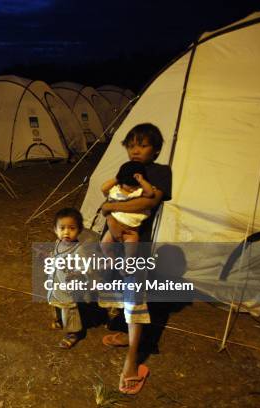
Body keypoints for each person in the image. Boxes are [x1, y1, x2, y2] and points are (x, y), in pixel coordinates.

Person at [98, 123, 172, 395]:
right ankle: (128, 337)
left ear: (156, 150)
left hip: (136, 244)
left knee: (134, 298)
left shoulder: (160, 173)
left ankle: (132, 361)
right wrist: (108, 212)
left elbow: (148, 203)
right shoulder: (124, 170)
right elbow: (107, 192)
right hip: (113, 239)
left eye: (142, 145)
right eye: (131, 146)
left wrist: (110, 207)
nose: (135, 150)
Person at [46, 208, 88, 349]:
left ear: (80, 230)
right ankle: (59, 320)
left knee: (69, 309)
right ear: (55, 229)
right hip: (56, 282)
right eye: (62, 228)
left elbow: (84, 267)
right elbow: (55, 255)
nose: (66, 232)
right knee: (56, 302)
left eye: (72, 228)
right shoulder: (59, 243)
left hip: (68, 287)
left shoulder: (78, 250)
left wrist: (75, 271)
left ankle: (74, 333)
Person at [100, 161, 154, 256]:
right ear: (122, 182)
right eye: (129, 186)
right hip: (113, 227)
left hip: (131, 231)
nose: (132, 189)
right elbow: (103, 188)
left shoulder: (138, 192)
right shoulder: (116, 190)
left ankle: (127, 264)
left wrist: (142, 181)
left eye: (135, 186)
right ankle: (111, 260)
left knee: (131, 251)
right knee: (104, 245)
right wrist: (117, 178)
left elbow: (150, 193)